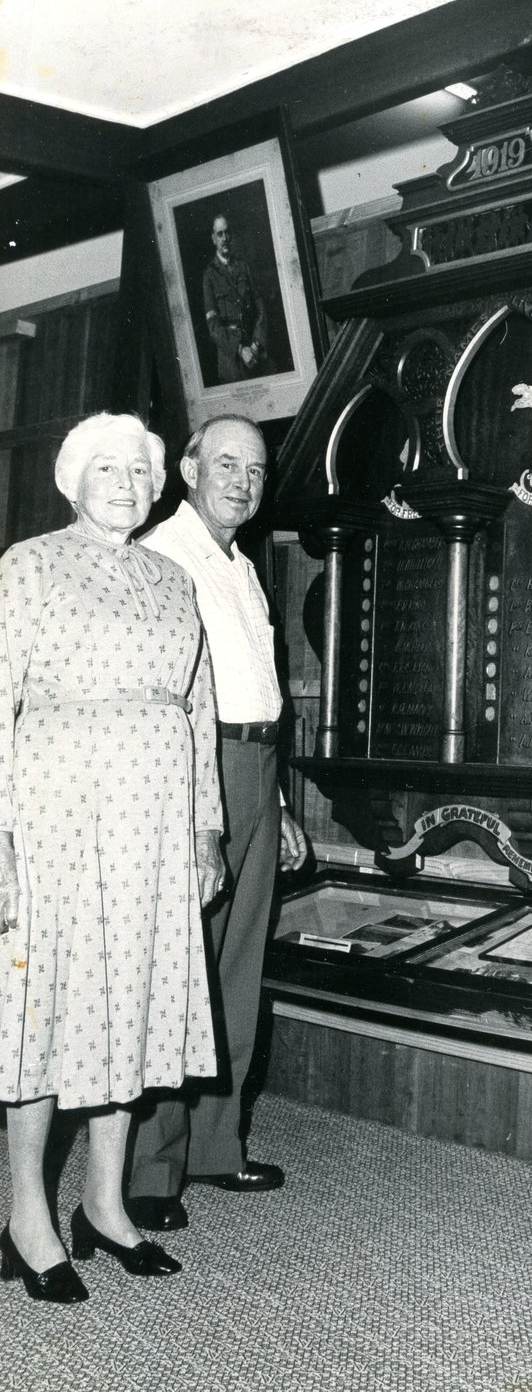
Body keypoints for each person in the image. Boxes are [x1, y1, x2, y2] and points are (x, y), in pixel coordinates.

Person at [0, 413, 225, 1302]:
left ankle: (103, 1201)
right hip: (55, 817)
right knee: (45, 1005)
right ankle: (25, 1212)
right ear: (69, 479)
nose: (126, 482)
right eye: (107, 467)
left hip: (154, 829)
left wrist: (207, 826)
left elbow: (200, 710)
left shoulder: (174, 579)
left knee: (126, 999)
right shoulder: (26, 565)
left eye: (140, 468)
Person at [127, 414, 308, 1233]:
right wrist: (200, 799)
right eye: (226, 463)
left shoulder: (240, 566)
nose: (243, 480)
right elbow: (172, 700)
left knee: (237, 968)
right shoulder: (165, 554)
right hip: (194, 770)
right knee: (179, 972)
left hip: (254, 768)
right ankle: (148, 1170)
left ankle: (213, 1142)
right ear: (190, 467)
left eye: (256, 468)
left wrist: (272, 801)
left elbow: (253, 692)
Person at [202, 214, 267, 385]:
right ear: (213, 239)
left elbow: (260, 308)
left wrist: (255, 345)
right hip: (230, 361)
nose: (224, 238)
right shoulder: (209, 275)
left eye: (227, 233)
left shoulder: (243, 266)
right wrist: (240, 349)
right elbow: (213, 325)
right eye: (220, 234)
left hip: (255, 353)